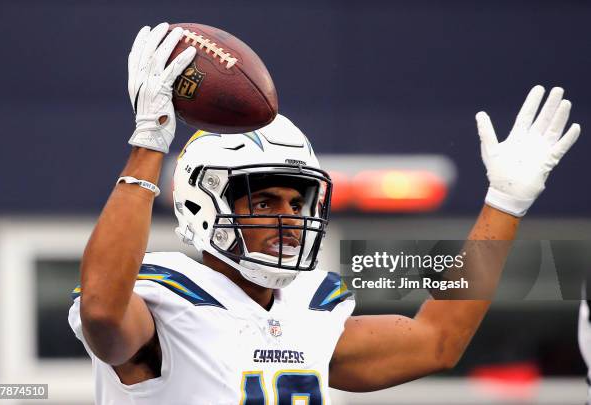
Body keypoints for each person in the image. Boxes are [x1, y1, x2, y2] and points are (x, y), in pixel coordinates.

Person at [68, 23, 581, 404]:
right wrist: (150, 142)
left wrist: (504, 205)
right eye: (265, 201)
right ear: (204, 204)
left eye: (298, 202)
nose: (289, 217)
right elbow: (103, 312)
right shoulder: (167, 301)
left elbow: (437, 341)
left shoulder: (309, 308)